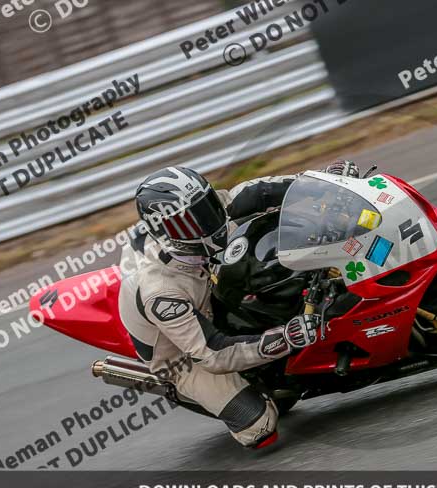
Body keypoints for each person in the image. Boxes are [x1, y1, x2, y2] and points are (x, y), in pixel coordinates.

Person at [117, 161, 359, 448]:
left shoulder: (208, 212)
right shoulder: (161, 292)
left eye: (205, 206)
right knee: (260, 427)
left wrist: (319, 182)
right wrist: (285, 338)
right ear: (168, 233)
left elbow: (256, 193)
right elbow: (212, 353)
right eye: (190, 220)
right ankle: (178, 387)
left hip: (209, 287)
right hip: (185, 355)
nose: (208, 220)